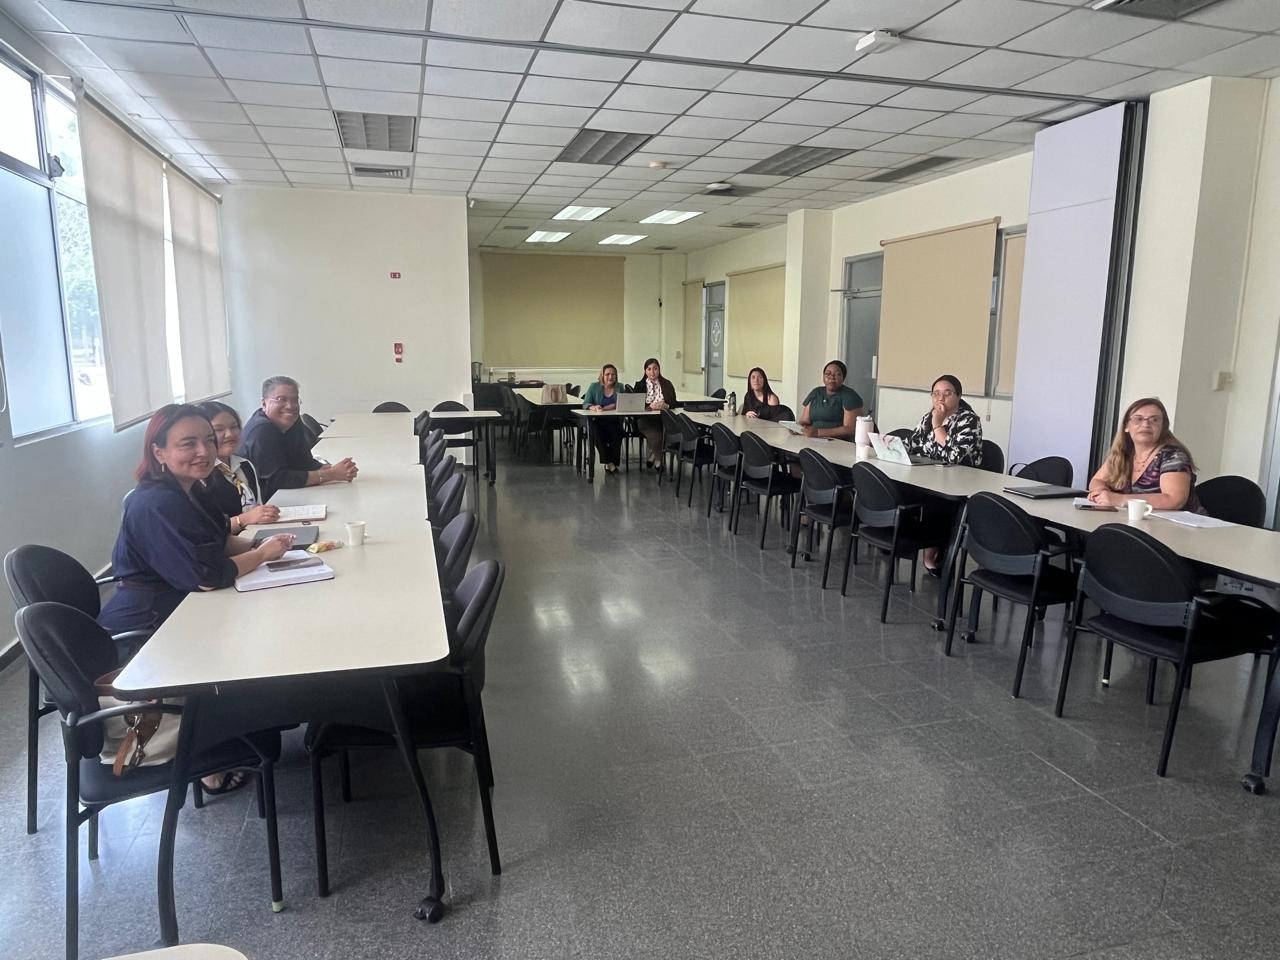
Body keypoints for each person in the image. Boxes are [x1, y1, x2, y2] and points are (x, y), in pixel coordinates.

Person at [237, 376, 357, 498]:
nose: (290, 406)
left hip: (292, 494)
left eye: (294, 400)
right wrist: (330, 475)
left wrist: (331, 468)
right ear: (264, 403)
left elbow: (303, 461)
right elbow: (277, 480)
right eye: (281, 399)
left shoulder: (292, 420)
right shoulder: (261, 430)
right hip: (267, 500)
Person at [1087, 397, 1200, 511]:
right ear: (1126, 426)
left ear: (1163, 427)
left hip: (1178, 522)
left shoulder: (1173, 456)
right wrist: (1102, 493)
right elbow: (1096, 481)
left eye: (1154, 420)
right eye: (1138, 419)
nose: (1146, 424)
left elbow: (1174, 500)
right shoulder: (1124, 452)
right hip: (1135, 520)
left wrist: (1119, 499)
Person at [196, 400, 281, 534]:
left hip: (257, 533)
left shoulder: (245, 465)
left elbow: (258, 507)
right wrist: (244, 519)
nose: (230, 434)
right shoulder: (200, 475)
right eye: (219, 430)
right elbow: (209, 532)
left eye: (234, 427)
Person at [907, 375, 984, 467]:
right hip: (928, 471)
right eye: (936, 394)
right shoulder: (928, 417)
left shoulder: (969, 420)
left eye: (947, 394)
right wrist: (894, 447)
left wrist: (937, 426)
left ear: (959, 396)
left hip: (960, 473)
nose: (941, 398)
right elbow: (911, 445)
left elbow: (954, 458)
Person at [798, 360, 864, 440]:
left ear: (843, 378)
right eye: (828, 374)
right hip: (813, 439)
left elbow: (850, 429)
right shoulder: (816, 392)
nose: (832, 377)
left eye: (837, 374)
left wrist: (818, 432)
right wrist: (797, 428)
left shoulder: (850, 395)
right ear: (823, 377)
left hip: (839, 442)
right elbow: (804, 420)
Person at [633, 358, 677, 469]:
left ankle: (653, 454)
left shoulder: (666, 384)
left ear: (659, 370)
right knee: (657, 434)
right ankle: (658, 461)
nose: (652, 372)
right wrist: (650, 407)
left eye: (655, 369)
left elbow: (674, 402)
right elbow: (635, 404)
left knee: (669, 431)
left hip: (663, 417)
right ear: (645, 371)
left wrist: (666, 405)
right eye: (649, 369)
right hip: (645, 418)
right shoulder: (639, 385)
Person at [582, 363, 624, 474]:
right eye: (607, 374)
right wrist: (594, 407)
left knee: (618, 432)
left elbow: (622, 403)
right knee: (597, 433)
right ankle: (609, 462)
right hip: (597, 420)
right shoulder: (594, 387)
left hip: (613, 420)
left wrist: (608, 407)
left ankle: (613, 461)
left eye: (613, 374)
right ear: (602, 376)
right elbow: (586, 403)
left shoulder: (620, 387)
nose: (611, 377)